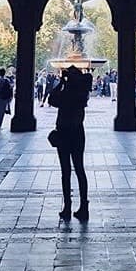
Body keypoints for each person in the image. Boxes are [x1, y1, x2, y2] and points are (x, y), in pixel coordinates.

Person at [49, 66, 91, 221]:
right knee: (79, 169)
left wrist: (61, 82)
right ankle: (84, 206)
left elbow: (51, 98)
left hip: (64, 133)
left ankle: (67, 206)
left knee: (65, 171)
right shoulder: (82, 94)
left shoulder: (66, 93)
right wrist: (71, 79)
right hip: (78, 133)